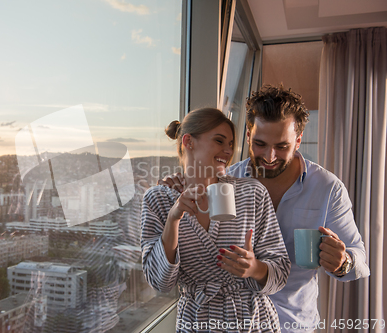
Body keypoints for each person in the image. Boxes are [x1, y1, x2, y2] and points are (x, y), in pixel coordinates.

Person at [160, 85, 370, 332]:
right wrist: (177, 184)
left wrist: (343, 262)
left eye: (282, 146)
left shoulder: (328, 188)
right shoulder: (225, 180)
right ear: (248, 136)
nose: (270, 156)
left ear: (298, 141)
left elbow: (360, 260)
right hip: (235, 325)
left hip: (294, 325)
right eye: (260, 144)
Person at [141, 107, 291, 332]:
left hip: (252, 321)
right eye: (219, 141)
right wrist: (173, 218)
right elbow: (159, 282)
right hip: (198, 322)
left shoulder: (252, 193)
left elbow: (280, 271)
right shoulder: (158, 199)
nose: (228, 150)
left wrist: (254, 268)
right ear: (188, 141)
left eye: (231, 144)